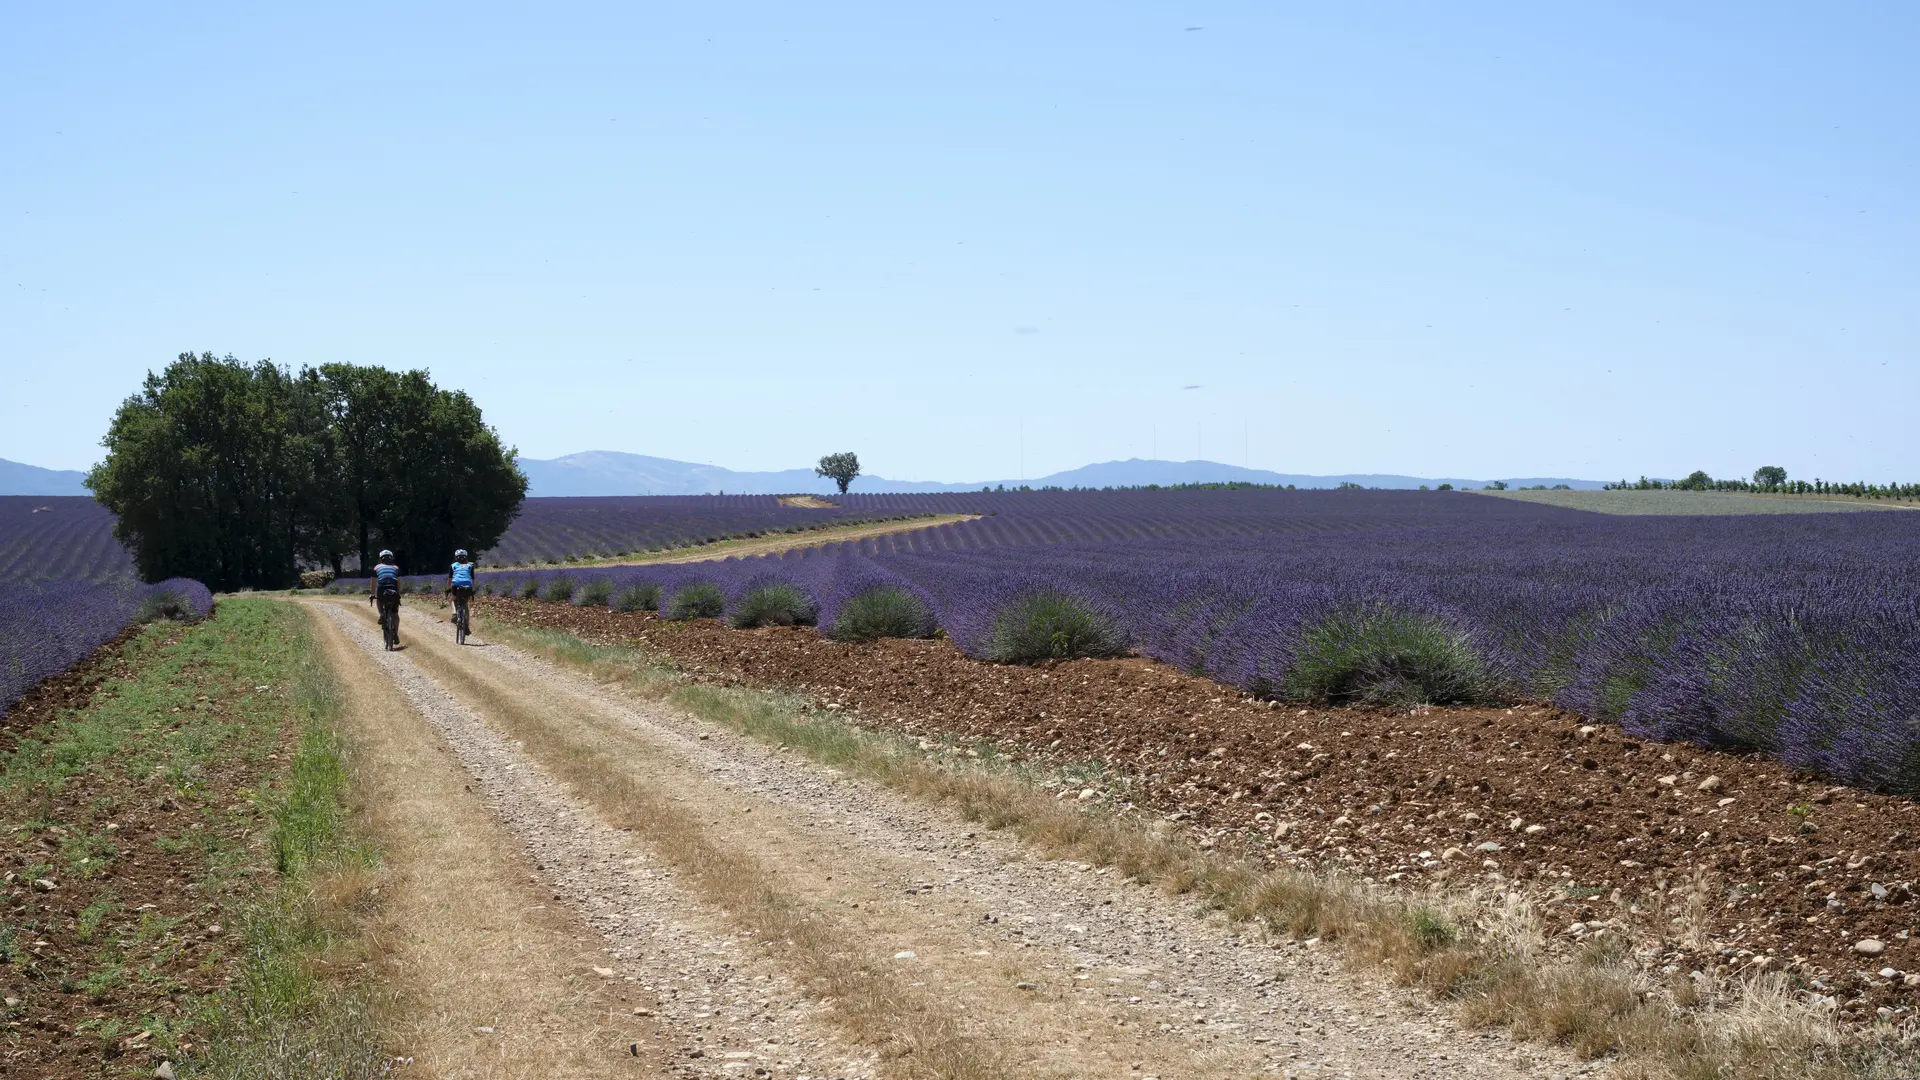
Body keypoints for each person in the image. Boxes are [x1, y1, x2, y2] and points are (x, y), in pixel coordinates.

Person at [369, 550, 401, 644]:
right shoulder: (396, 568)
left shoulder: (376, 567)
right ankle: (395, 633)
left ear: (381, 559)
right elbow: (398, 583)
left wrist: (372, 594)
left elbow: (374, 583)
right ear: (391, 558)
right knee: (395, 615)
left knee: (379, 600)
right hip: (393, 590)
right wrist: (398, 594)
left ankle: (381, 615)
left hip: (382, 590)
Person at [447, 549, 476, 634]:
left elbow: (450, 580)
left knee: (452, 599)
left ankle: (454, 613)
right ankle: (466, 626)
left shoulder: (453, 565)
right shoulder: (470, 566)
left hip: (456, 586)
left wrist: (448, 589)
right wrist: (472, 589)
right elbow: (472, 579)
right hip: (467, 586)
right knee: (466, 606)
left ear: (456, 558)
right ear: (466, 557)